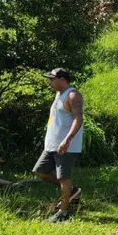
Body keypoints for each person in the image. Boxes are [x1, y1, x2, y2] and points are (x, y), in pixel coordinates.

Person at [33, 68, 84, 222]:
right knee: (40, 171)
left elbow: (78, 119)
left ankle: (62, 213)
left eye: (52, 79)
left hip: (66, 146)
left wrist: (67, 140)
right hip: (51, 145)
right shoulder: (58, 94)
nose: (49, 82)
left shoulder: (73, 95)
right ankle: (72, 191)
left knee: (64, 178)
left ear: (62, 79)